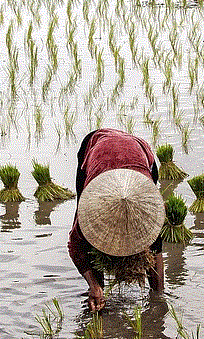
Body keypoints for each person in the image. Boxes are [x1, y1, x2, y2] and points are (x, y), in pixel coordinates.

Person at [68, 128, 166, 312]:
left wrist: (159, 299)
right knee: (88, 239)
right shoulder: (91, 206)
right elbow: (75, 246)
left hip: (138, 150)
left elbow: (156, 244)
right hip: (97, 147)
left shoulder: (149, 209)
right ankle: (98, 292)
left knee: (150, 236)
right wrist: (93, 284)